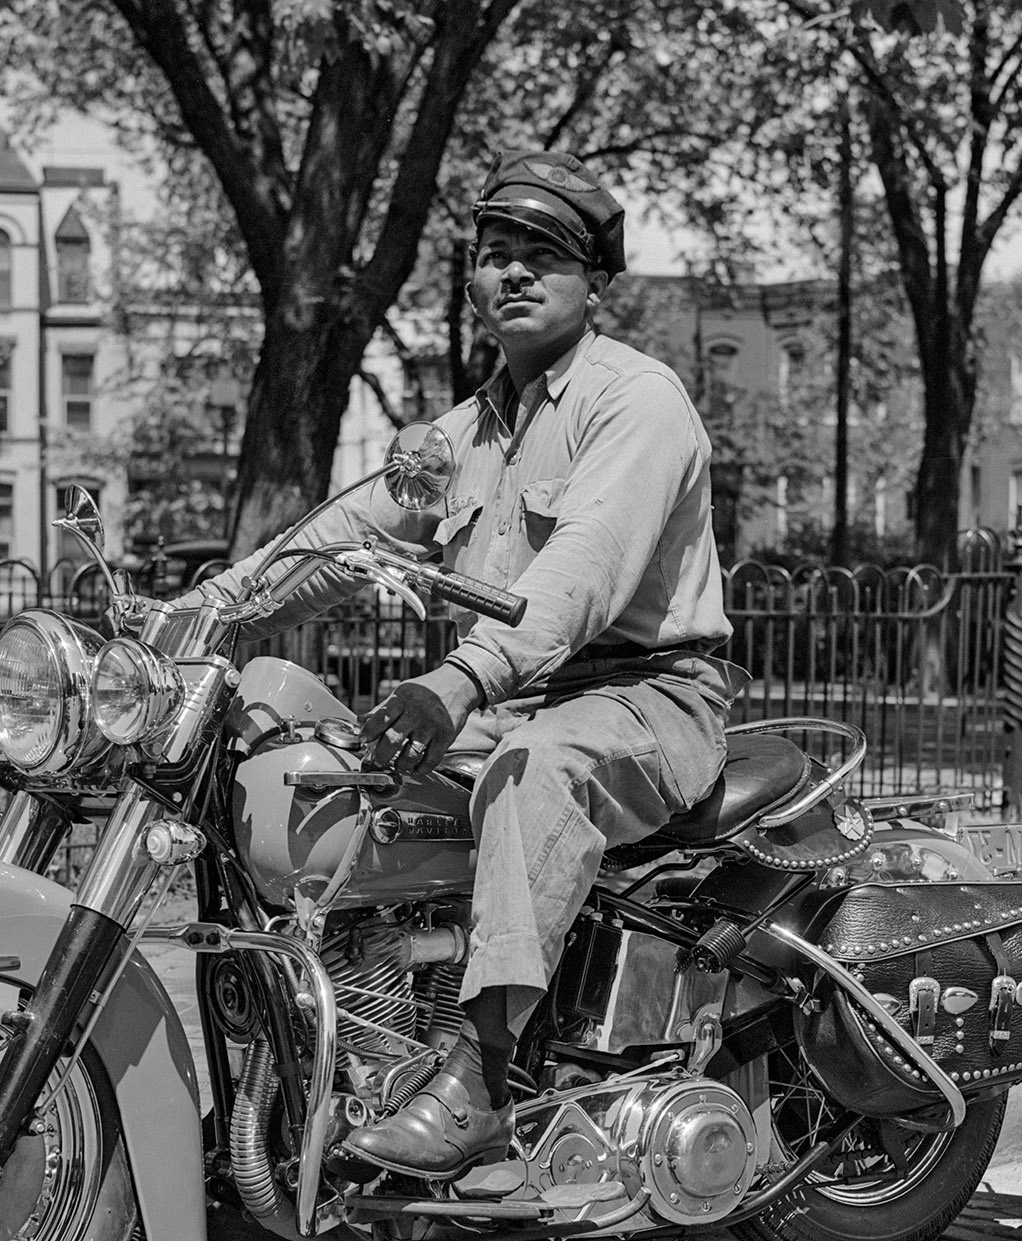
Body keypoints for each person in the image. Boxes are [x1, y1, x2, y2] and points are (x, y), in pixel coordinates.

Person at [195, 151, 734, 1182]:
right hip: (515, 695)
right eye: (494, 257)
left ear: (591, 280)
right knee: (316, 776)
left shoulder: (635, 402)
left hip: (644, 696)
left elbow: (579, 571)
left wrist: (458, 679)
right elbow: (350, 526)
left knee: (529, 775)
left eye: (542, 255)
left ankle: (485, 1080)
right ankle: (335, 1045)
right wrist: (214, 606)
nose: (514, 275)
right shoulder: (467, 428)